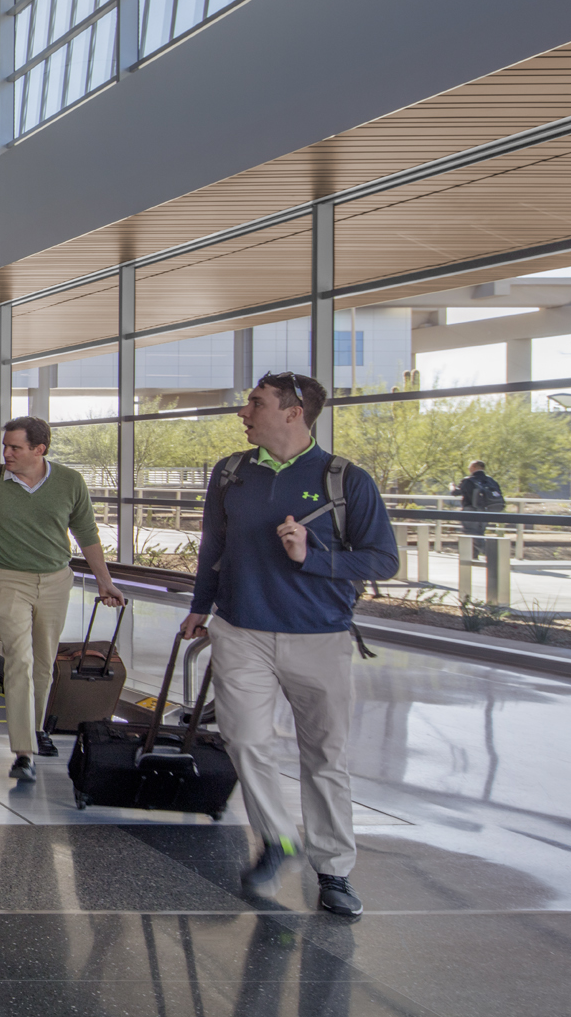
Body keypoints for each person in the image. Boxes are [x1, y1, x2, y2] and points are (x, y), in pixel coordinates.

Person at [183, 373, 397, 920]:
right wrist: (200, 607)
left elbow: (383, 560)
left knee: (324, 755)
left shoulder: (346, 479)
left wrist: (313, 557)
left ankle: (334, 870)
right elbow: (214, 541)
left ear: (293, 412)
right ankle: (278, 841)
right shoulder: (231, 472)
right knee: (245, 739)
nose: (243, 413)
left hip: (319, 636)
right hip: (240, 629)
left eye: (255, 403)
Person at [0, 416, 124, 780]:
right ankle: (24, 750)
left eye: (15, 447)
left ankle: (37, 726)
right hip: (5, 578)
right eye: (5, 446)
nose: (7, 453)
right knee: (20, 657)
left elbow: (86, 533)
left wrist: (105, 581)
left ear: (39, 449)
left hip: (56, 580)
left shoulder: (69, 482)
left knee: (44, 662)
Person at [454, 459, 504, 573]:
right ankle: (474, 557)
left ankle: (492, 556)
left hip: (471, 510)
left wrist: (451, 487)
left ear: (474, 468)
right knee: (479, 532)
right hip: (487, 511)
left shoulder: (469, 480)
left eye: (470, 466)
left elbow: (456, 493)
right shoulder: (490, 480)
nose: (469, 468)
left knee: (471, 532)